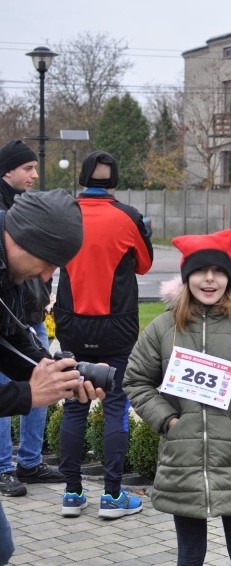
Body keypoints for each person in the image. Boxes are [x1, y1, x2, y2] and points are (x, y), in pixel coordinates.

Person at [124, 228, 231, 566]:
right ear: (187, 277)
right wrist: (168, 420)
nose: (209, 280)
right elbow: (137, 380)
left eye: (218, 272)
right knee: (189, 553)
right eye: (200, 271)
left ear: (230, 278)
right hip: (181, 457)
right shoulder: (163, 327)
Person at [0, 189, 105, 565]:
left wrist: (56, 374)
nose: (47, 275)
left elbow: (10, 341)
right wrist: (27, 395)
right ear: (23, 237)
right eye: (48, 262)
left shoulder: (10, 274)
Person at [53, 151, 154, 519]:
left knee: (74, 404)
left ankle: (72, 492)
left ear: (83, 176)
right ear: (113, 180)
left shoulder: (65, 213)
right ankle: (112, 496)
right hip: (117, 326)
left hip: (72, 323)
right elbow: (144, 265)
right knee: (115, 405)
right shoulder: (128, 217)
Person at [0, 140, 63, 498]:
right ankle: (4, 467)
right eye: (27, 168)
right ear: (7, 170)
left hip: (32, 316)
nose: (35, 174)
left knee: (44, 382)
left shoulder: (29, 207)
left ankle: (30, 460)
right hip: (9, 319)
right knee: (12, 392)